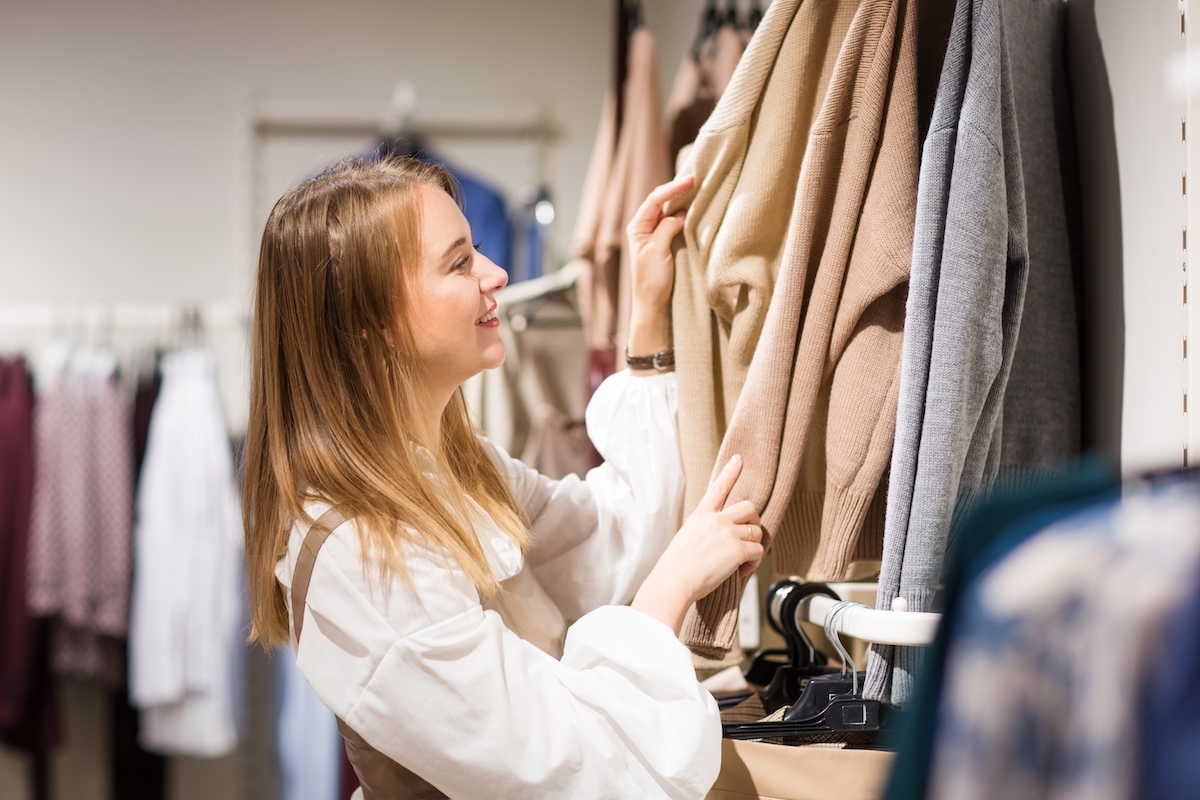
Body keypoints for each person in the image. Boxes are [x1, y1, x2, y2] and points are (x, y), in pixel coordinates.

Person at [243, 156, 763, 799]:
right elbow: (560, 759)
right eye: (459, 263)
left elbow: (606, 541)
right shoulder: (359, 551)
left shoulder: (456, 467)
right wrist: (675, 584)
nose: (498, 275)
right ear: (368, 321)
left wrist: (650, 313)